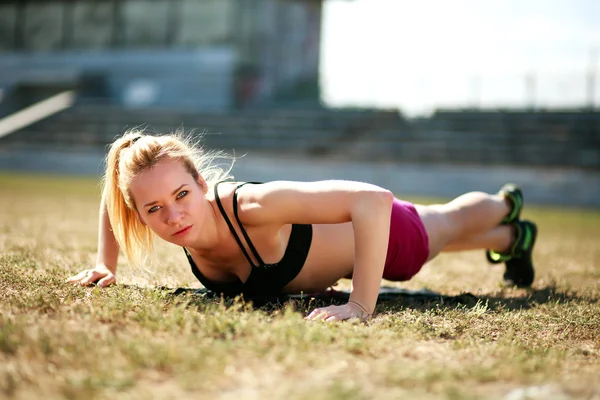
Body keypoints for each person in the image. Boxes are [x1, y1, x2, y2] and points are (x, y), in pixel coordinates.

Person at [67, 130, 538, 322]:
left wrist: (360, 305)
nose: (172, 217)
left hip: (389, 236)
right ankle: (514, 238)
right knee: (452, 233)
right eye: (153, 209)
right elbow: (115, 203)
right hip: (356, 252)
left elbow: (373, 201)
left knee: (450, 223)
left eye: (182, 195)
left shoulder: (248, 207)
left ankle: (503, 205)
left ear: (201, 183)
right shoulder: (156, 209)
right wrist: (104, 264)